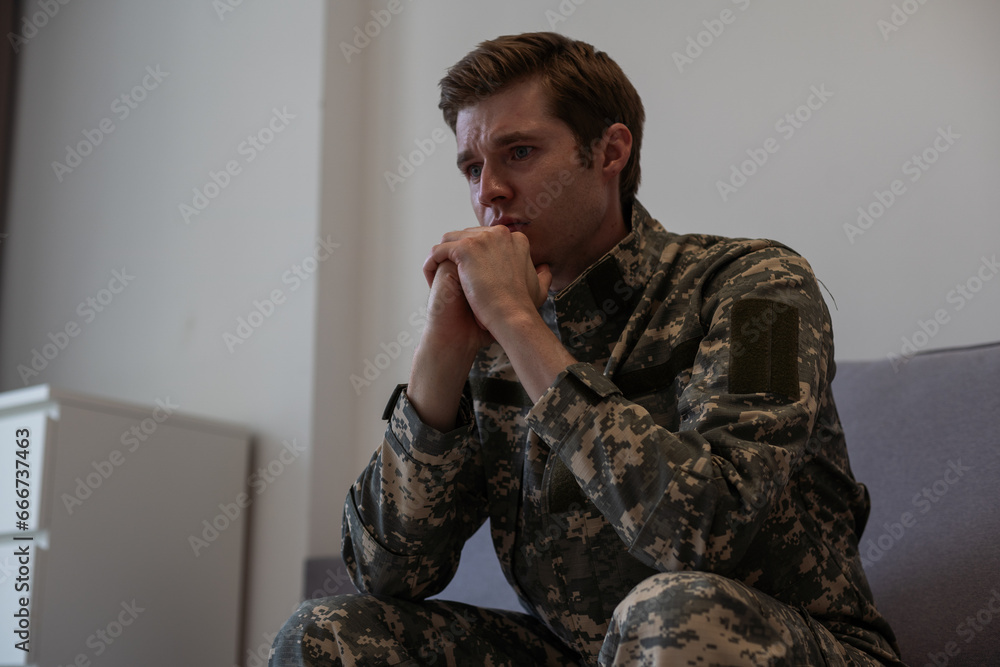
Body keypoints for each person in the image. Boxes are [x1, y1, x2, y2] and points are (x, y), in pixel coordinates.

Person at [271, 32, 903, 666]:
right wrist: (442, 353)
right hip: (582, 653)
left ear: (610, 151)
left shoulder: (760, 286)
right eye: (471, 167)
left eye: (518, 152)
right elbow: (385, 574)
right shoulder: (487, 328)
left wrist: (521, 324)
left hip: (768, 643)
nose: (487, 191)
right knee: (329, 632)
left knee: (676, 615)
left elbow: (707, 530)